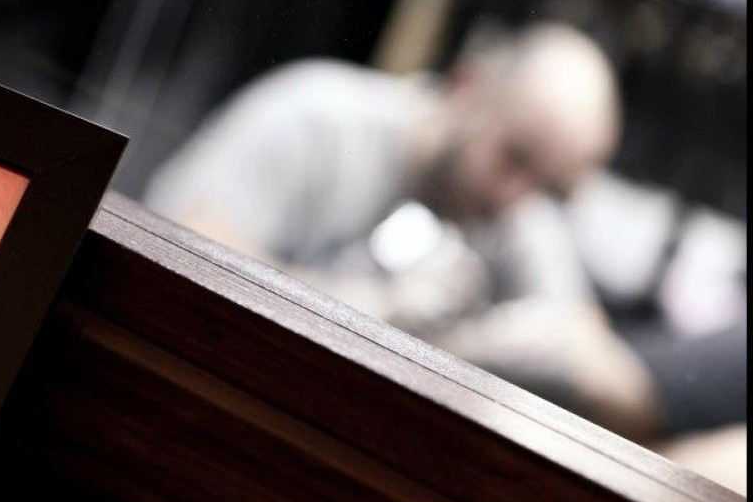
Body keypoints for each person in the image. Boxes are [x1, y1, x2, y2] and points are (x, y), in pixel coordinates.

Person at [144, 23, 662, 440]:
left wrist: (481, 344)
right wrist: (370, 312)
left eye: (549, 186)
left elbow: (621, 388)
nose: (515, 197)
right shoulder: (317, 116)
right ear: (466, 87)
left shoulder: (517, 213)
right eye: (514, 157)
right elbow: (169, 253)